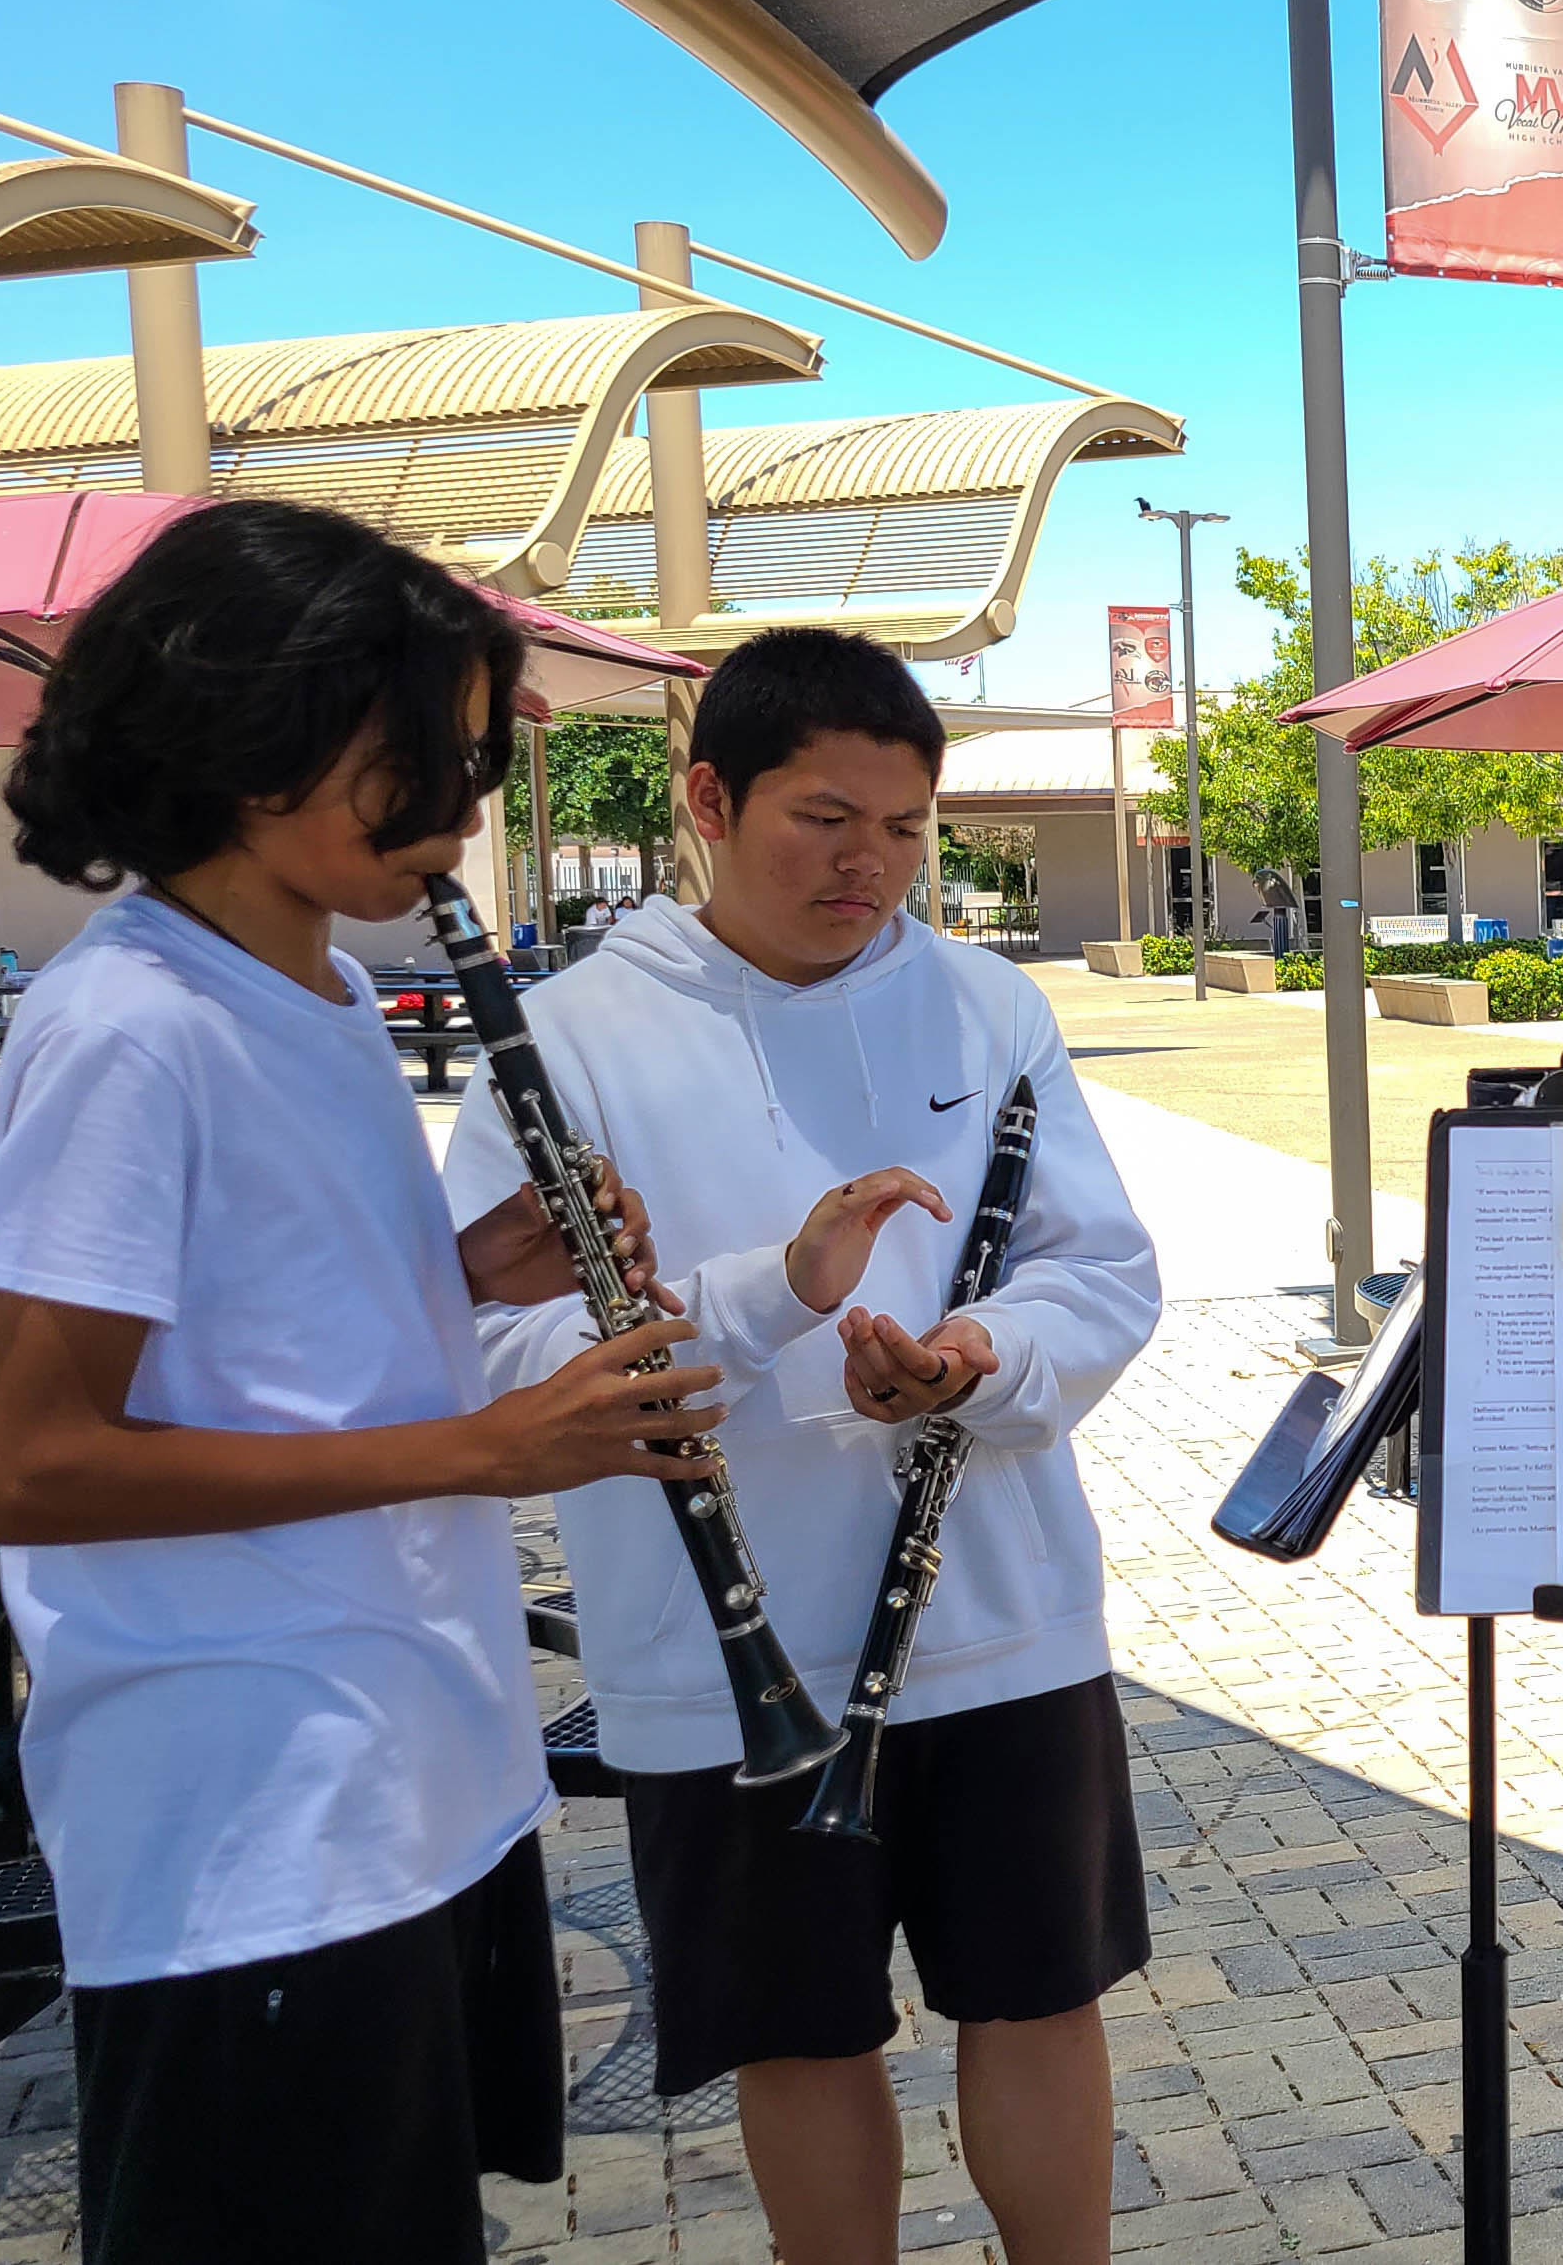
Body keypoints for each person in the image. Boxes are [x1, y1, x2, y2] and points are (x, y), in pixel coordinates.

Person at [0, 499, 715, 2262]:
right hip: (250, 1824)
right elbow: (31, 1467)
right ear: (249, 737)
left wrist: (468, 1269)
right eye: (418, 763)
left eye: (473, 763)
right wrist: (487, 1446)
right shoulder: (130, 1023)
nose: (462, 812)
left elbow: (266, 1339)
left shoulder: (326, 989)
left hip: (411, 1774)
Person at [445, 629, 1164, 2265]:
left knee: (1040, 1995)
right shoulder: (566, 1039)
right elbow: (495, 1354)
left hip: (996, 1605)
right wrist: (774, 1293)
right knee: (799, 2032)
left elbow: (1100, 1269)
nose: (871, 866)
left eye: (905, 828)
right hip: (718, 1643)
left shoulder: (986, 1002)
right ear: (709, 800)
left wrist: (979, 1357)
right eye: (824, 819)